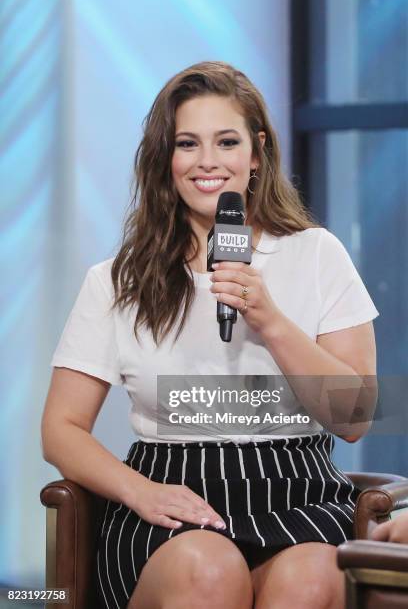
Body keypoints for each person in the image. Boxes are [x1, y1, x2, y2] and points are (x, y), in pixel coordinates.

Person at [41, 61, 379, 609]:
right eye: (187, 144)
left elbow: (357, 418)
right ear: (165, 160)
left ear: (257, 151)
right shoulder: (116, 280)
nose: (207, 162)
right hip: (168, 495)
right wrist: (140, 492)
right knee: (208, 571)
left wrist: (268, 317)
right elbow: (61, 429)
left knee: (313, 579)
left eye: (226, 141)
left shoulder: (316, 254)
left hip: (298, 491)